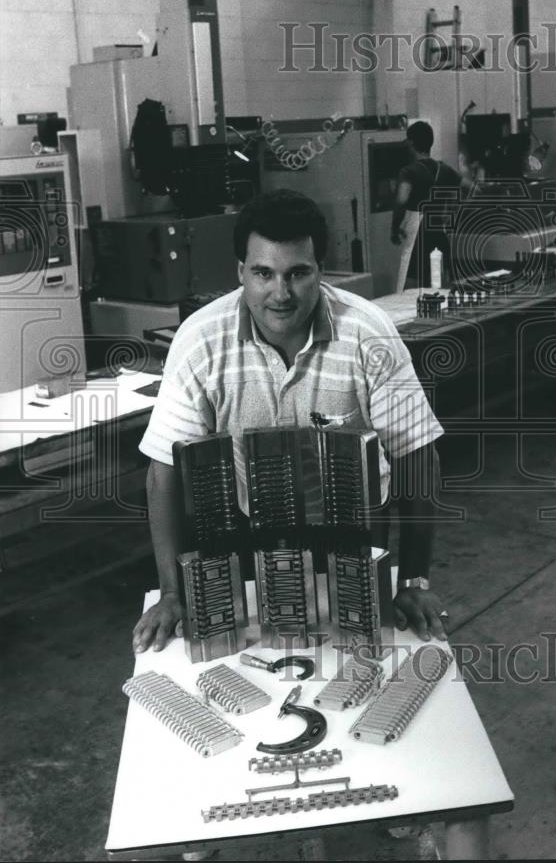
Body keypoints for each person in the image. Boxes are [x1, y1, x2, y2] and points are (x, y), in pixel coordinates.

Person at [133, 190, 449, 653]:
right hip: (247, 531)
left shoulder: (368, 333)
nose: (280, 294)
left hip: (359, 531)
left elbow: (417, 457)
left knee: (370, 660)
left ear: (322, 270)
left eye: (298, 273)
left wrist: (415, 578)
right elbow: (163, 473)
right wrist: (174, 591)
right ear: (240, 272)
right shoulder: (201, 341)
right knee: (253, 654)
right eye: (263, 273)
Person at [390, 121, 463, 292]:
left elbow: (401, 201)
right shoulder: (444, 169)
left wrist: (394, 228)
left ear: (411, 142)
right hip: (439, 233)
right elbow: (468, 187)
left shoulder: (408, 172)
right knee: (441, 288)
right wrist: (451, 210)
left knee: (410, 291)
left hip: (418, 237)